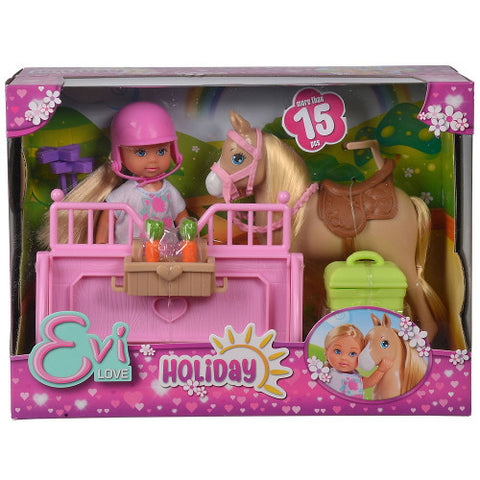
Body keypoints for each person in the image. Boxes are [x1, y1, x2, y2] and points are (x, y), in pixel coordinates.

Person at [324, 324, 392, 398]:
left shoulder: (355, 375)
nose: (344, 358)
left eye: (352, 354)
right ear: (326, 353)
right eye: (337, 351)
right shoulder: (327, 375)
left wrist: (380, 371)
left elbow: (367, 382)